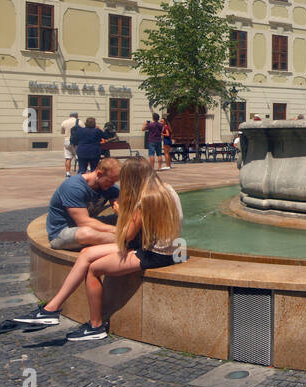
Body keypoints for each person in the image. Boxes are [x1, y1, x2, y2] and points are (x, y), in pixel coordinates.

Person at [14, 158, 183, 340]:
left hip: (156, 254)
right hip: (159, 247)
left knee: (93, 270)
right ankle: (51, 309)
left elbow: (126, 236)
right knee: (86, 253)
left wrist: (122, 213)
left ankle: (96, 326)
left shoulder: (145, 199)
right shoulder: (165, 189)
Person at [45, 157, 121, 250]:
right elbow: (84, 222)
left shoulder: (110, 187)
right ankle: (127, 241)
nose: (112, 185)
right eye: (110, 181)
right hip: (63, 233)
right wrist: (117, 230)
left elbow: (122, 210)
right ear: (99, 174)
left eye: (115, 182)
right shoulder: (74, 187)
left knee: (121, 219)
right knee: (86, 233)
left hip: (88, 225)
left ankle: (125, 238)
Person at [61, 111, 79, 176]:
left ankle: (68, 172)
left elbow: (62, 132)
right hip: (76, 142)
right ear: (76, 116)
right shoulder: (80, 122)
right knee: (79, 157)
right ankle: (81, 171)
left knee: (68, 158)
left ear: (70, 115)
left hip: (67, 141)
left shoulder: (64, 122)